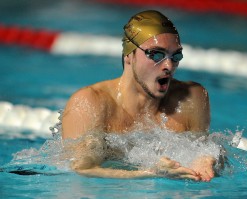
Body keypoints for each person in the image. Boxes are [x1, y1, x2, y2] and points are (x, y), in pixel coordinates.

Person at [62, 10, 216, 182]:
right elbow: (82, 169)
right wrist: (150, 174)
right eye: (156, 54)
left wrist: (207, 158)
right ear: (129, 55)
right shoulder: (92, 102)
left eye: (176, 55)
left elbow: (204, 149)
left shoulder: (190, 99)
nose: (169, 65)